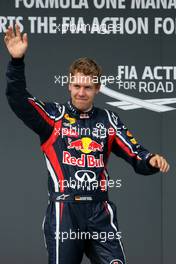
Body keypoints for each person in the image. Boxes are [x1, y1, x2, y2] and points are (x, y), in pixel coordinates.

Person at [4, 24, 169, 264]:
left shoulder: (109, 120)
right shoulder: (54, 117)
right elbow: (18, 99)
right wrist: (16, 62)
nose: (81, 92)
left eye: (88, 87)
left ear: (97, 89)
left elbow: (137, 155)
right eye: (77, 86)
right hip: (64, 212)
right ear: (69, 85)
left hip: (100, 212)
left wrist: (151, 160)